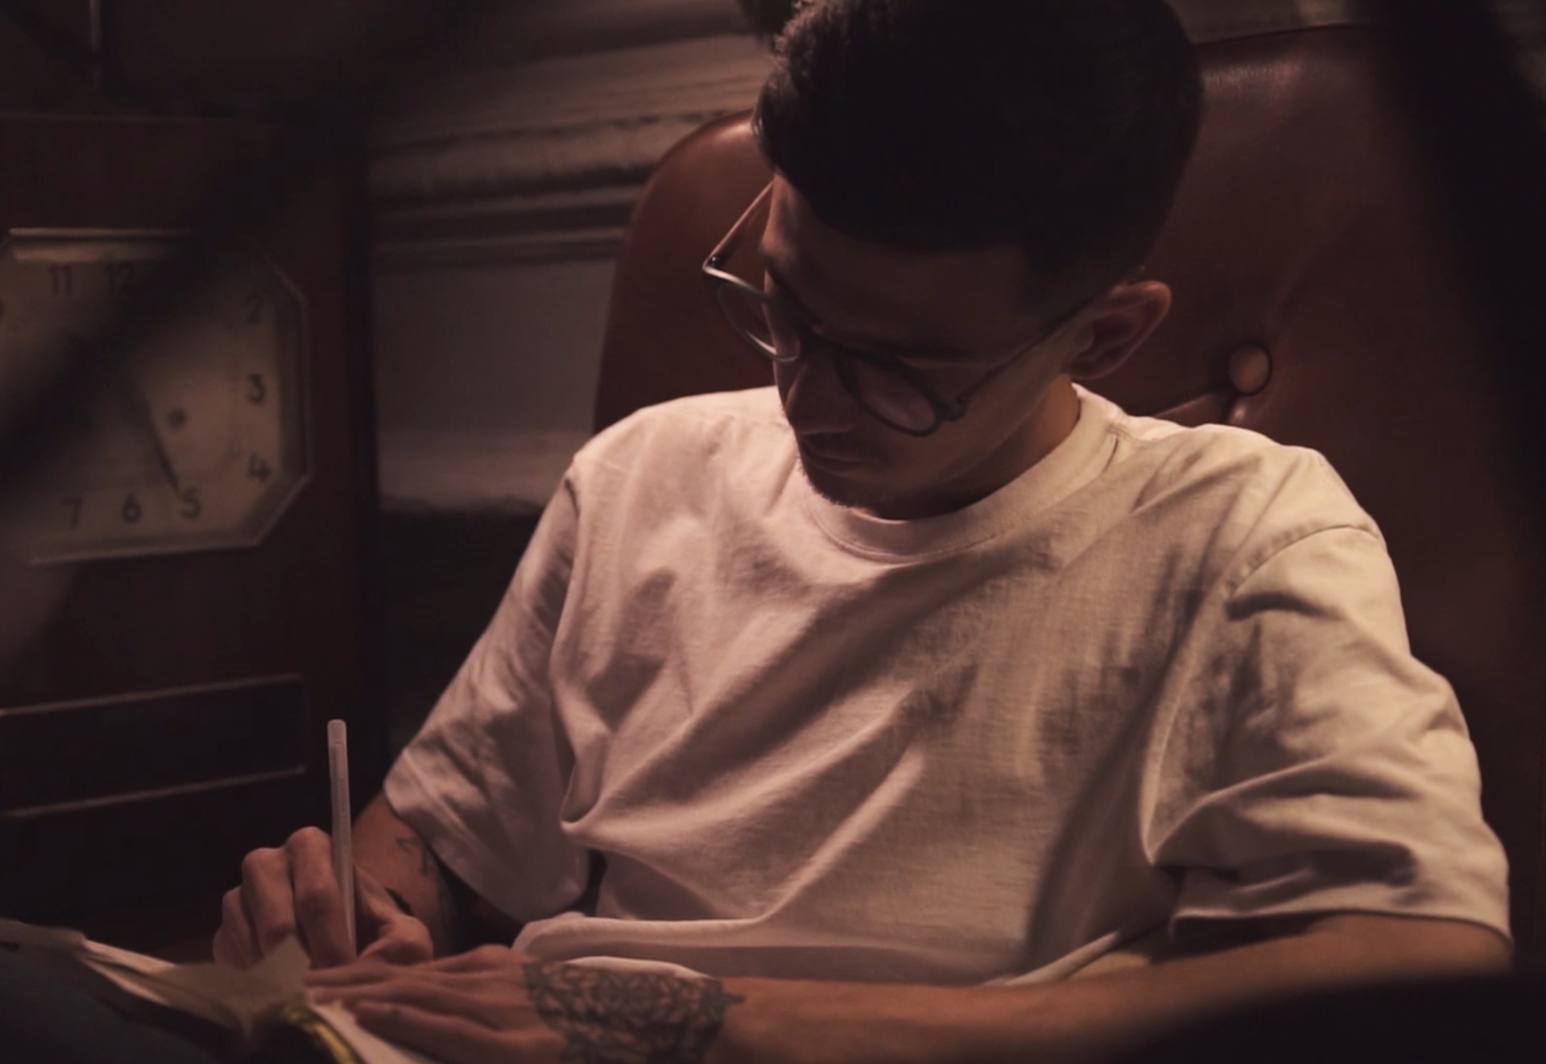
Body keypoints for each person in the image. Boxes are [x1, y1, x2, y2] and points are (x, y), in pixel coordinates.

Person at [218, 2, 1513, 1061]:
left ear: (1104, 334)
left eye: (896, 366)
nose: (805, 397)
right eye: (782, 305)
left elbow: (1418, 962)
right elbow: (441, 844)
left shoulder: (1239, 537)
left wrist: (707, 1023)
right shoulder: (644, 474)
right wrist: (356, 908)